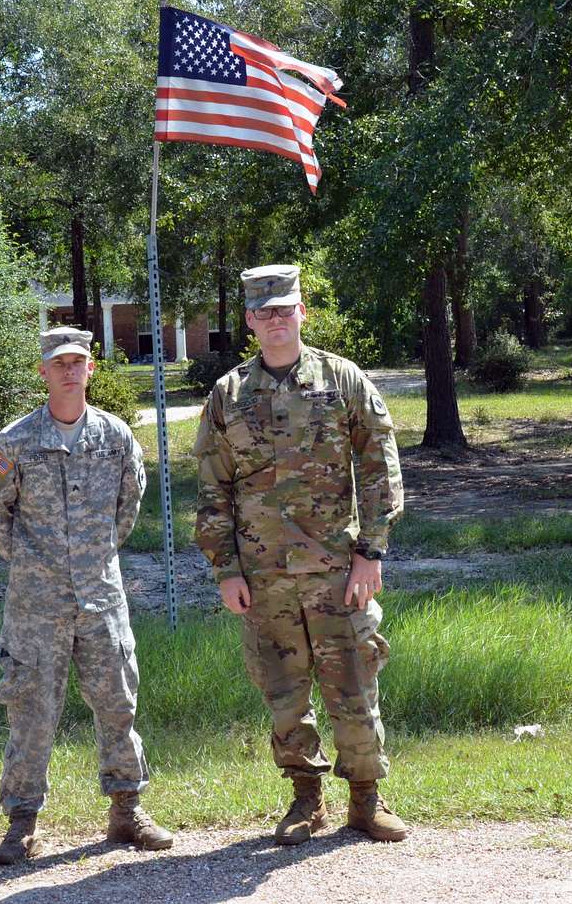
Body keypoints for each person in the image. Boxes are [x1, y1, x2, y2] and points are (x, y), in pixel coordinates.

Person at [193, 265, 407, 845]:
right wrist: (226, 570)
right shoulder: (229, 394)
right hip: (264, 582)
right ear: (249, 321)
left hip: (339, 573)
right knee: (284, 696)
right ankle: (304, 800)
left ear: (301, 312)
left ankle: (366, 800)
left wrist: (372, 552)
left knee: (355, 687)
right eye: (265, 312)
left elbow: (378, 466)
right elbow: (213, 488)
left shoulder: (343, 380)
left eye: (285, 309)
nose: (276, 320)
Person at [0, 326, 173, 865]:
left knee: (117, 703)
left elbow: (129, 505)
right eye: (58, 362)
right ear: (42, 370)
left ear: (90, 368)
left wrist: (94, 554)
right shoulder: (12, 442)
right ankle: (22, 822)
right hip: (35, 606)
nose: (68, 370)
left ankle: (126, 811)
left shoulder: (115, 437)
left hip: (102, 598)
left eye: (77, 361)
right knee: (30, 710)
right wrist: (30, 562)